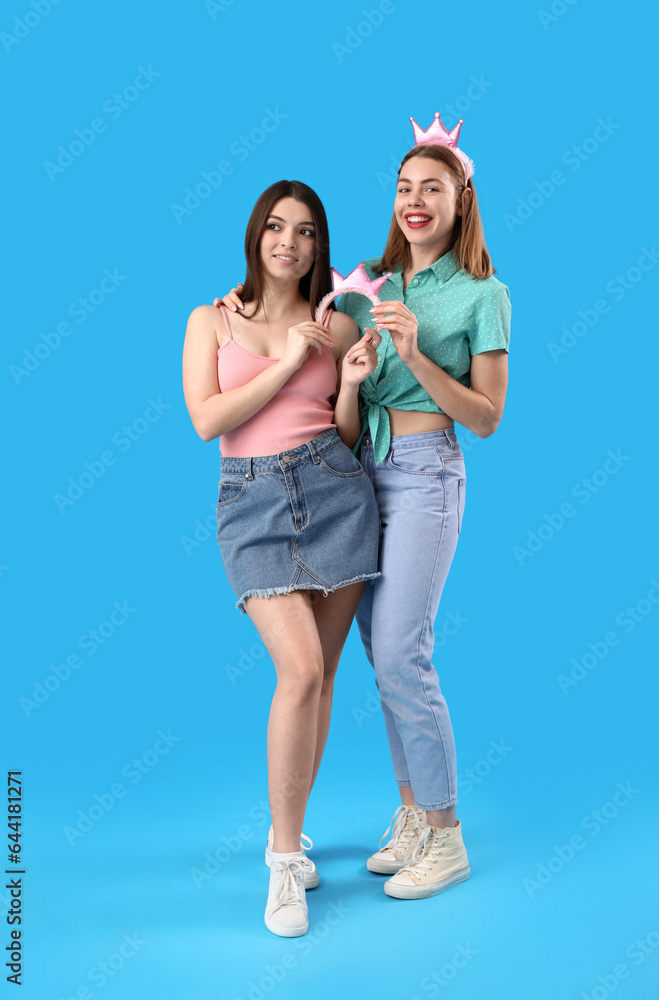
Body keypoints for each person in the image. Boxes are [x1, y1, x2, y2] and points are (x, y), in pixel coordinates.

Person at [218, 118, 511, 901]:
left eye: (433, 188)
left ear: (461, 201)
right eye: (405, 187)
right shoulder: (371, 281)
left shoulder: (483, 294)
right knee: (383, 660)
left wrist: (413, 355)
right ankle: (412, 812)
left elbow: (485, 417)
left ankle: (446, 835)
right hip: (357, 475)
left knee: (403, 653)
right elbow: (309, 351)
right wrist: (261, 318)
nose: (415, 200)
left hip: (424, 472)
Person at [182, 180, 382, 936]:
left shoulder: (331, 324)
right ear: (254, 235)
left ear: (317, 247)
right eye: (275, 227)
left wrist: (351, 384)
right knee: (296, 670)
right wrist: (285, 358)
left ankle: (289, 840)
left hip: (335, 488)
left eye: (303, 232)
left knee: (322, 680)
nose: (288, 243)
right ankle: (281, 862)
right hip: (253, 503)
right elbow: (207, 420)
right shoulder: (212, 320)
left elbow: (345, 431)